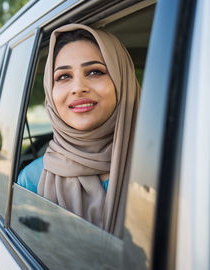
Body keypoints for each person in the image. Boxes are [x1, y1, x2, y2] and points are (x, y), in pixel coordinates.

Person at [17, 24, 140, 235]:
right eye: (63, 76)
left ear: (123, 82)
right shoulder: (32, 179)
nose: (78, 88)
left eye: (95, 72)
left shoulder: (170, 166)